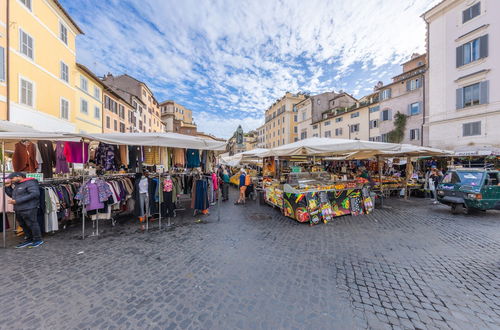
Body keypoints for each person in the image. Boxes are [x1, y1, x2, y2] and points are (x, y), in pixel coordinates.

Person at [4, 172, 43, 248]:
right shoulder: (17, 185)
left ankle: (38, 239)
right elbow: (12, 195)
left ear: (19, 176)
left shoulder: (30, 182)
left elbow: (35, 194)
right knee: (23, 225)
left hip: (29, 208)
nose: (11, 180)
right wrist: (8, 187)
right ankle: (29, 239)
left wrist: (17, 201)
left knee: (32, 223)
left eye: (12, 178)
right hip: (19, 208)